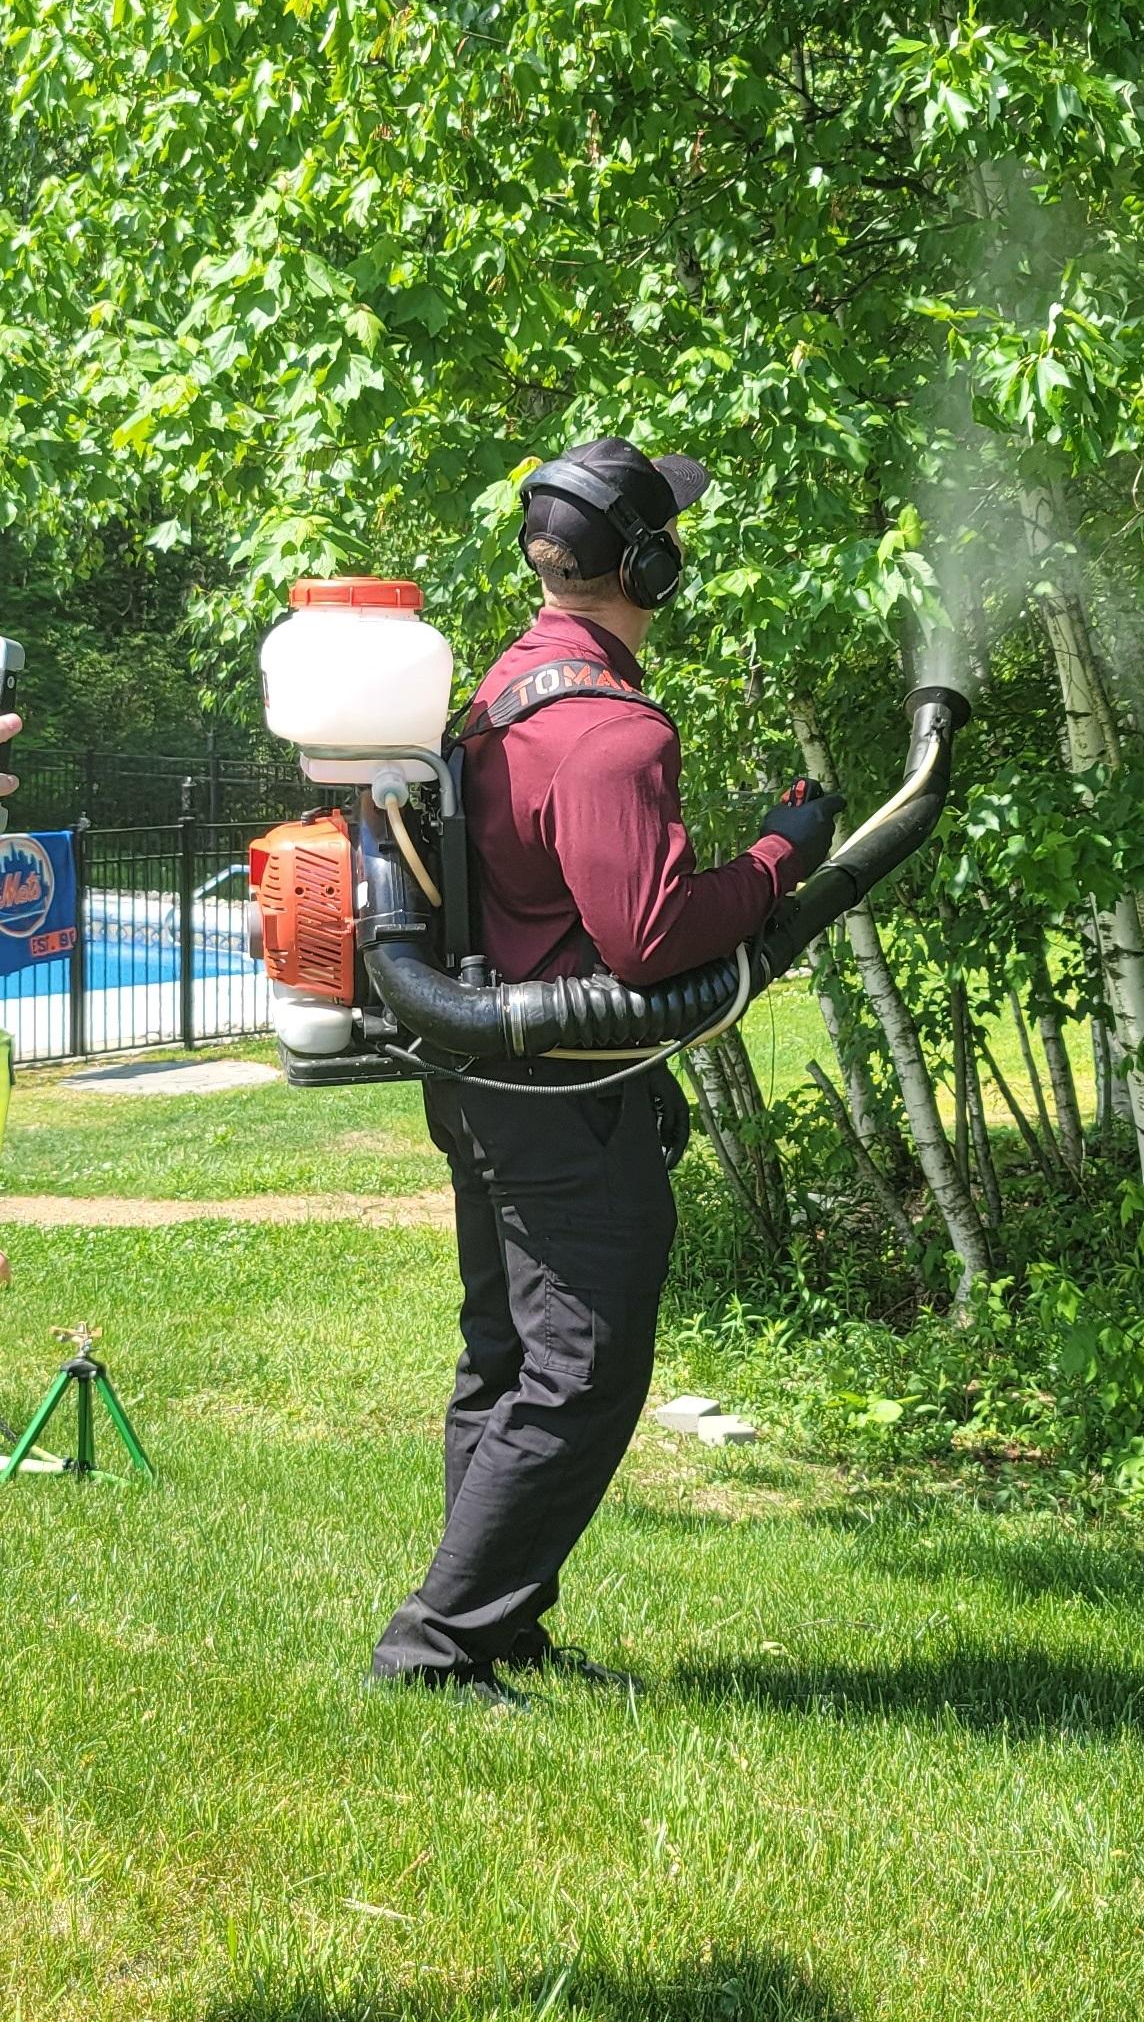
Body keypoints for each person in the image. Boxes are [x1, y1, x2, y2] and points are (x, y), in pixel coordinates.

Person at [369, 437, 842, 1705]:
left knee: (508, 1354)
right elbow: (651, 937)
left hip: (484, 1076)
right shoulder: (607, 733)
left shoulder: (511, 683)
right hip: (562, 1093)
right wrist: (780, 854)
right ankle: (438, 1642)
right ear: (650, 563)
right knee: (583, 1367)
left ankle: (498, 1625)